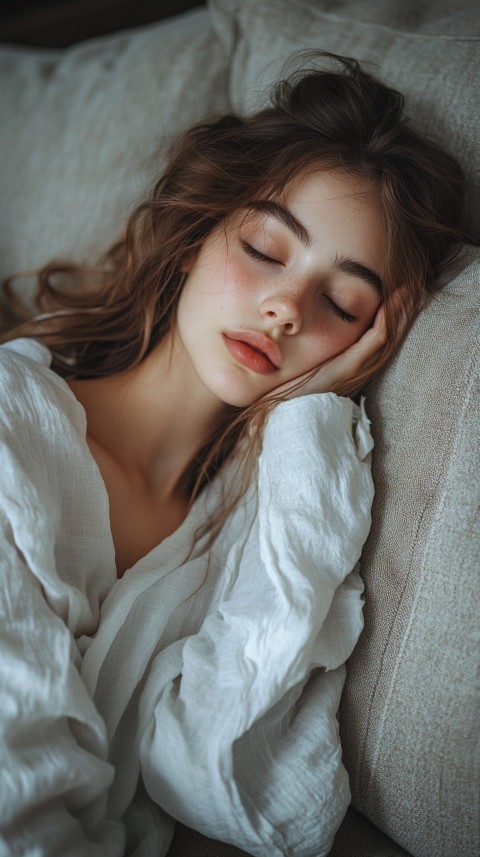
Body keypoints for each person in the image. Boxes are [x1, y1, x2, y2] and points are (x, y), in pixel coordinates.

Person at [0, 54, 465, 857]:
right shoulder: (13, 423)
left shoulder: (249, 531)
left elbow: (223, 779)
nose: (286, 307)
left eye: (342, 301)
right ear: (194, 237)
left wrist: (310, 419)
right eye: (264, 248)